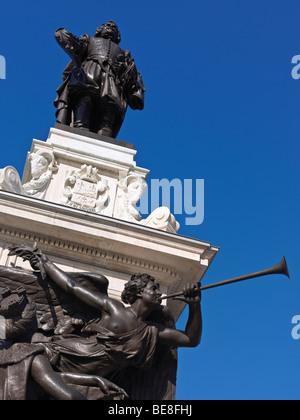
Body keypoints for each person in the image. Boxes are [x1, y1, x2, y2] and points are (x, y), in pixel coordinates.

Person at [28, 252, 202, 400]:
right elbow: (73, 287)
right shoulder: (113, 308)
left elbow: (190, 339)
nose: (159, 292)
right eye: (154, 288)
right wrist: (45, 262)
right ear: (140, 292)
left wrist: (194, 306)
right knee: (30, 359)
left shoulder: (152, 331)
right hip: (66, 355)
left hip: (92, 376)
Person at [54, 21, 145, 138]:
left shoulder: (124, 53)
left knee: (110, 108)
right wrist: (64, 36)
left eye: (114, 28)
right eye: (107, 26)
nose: (110, 28)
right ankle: (80, 125)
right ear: (99, 30)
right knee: (85, 99)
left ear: (117, 35)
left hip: (112, 80)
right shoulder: (90, 40)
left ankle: (105, 134)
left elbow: (131, 74)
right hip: (91, 71)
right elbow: (77, 47)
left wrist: (124, 69)